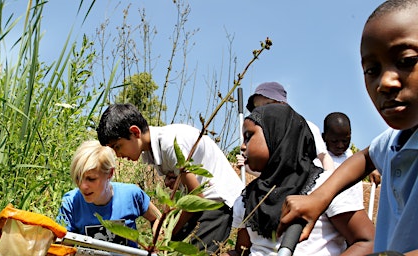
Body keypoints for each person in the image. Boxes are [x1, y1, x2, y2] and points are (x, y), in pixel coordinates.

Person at [278, 0, 418, 254]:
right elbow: (365, 157)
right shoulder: (398, 139)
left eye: (407, 60)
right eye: (372, 70)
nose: (384, 82)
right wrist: (319, 198)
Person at [222, 104, 374, 256]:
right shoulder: (248, 198)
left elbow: (367, 242)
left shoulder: (325, 186)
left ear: (277, 135)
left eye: (248, 136)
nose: (242, 146)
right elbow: (242, 250)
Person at [97, 103, 244, 253]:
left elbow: (196, 197)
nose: (118, 155)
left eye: (117, 146)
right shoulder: (151, 150)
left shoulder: (170, 144)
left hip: (216, 201)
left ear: (135, 132)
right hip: (201, 203)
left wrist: (168, 231)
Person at [56, 140, 161, 248]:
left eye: (91, 179)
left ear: (110, 173)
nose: (83, 186)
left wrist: (157, 245)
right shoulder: (71, 202)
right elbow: (61, 245)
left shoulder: (131, 195)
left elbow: (158, 218)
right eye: (78, 177)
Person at [245, 81, 335, 171]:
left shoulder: (307, 127)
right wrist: (247, 167)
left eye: (268, 104)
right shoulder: (260, 134)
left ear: (282, 103)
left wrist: (330, 182)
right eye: (257, 107)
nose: (262, 110)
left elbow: (324, 157)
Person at [323, 112, 382, 186]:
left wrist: (372, 170)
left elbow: (367, 164)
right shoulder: (319, 159)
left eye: (345, 141)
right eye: (334, 141)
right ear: (324, 137)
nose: (340, 145)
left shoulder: (352, 156)